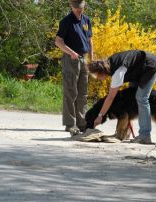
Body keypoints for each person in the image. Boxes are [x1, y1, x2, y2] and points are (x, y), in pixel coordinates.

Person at [87, 50, 156, 144]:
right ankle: (126, 133)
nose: (97, 78)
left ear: (102, 72)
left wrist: (100, 116)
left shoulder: (118, 72)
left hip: (150, 66)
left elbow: (110, 97)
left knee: (141, 98)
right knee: (131, 99)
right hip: (138, 69)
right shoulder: (110, 63)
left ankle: (145, 136)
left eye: (96, 75)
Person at [55, 0, 93, 132]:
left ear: (84, 6)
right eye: (76, 7)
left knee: (83, 93)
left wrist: (92, 59)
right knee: (71, 92)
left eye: (80, 7)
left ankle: (82, 122)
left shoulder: (87, 20)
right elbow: (58, 42)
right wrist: (71, 53)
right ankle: (70, 124)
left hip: (84, 59)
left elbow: (89, 40)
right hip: (71, 59)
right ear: (71, 6)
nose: (78, 10)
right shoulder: (66, 21)